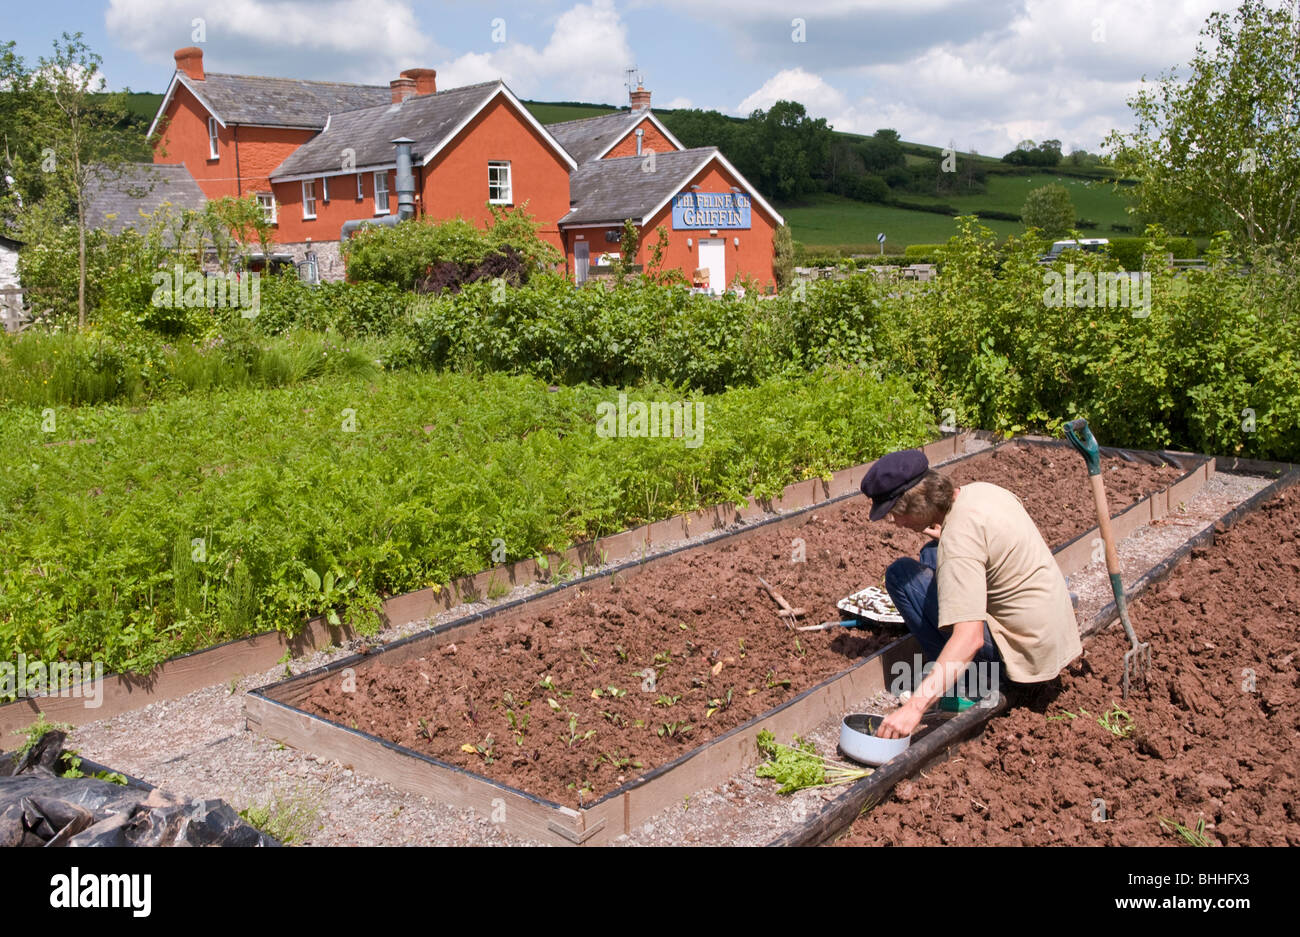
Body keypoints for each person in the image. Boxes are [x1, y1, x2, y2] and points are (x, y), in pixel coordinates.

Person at [858, 449, 1081, 739]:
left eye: (897, 514)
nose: (896, 523)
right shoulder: (982, 493)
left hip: (1023, 668)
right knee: (931, 553)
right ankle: (957, 674)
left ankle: (970, 683)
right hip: (1050, 642)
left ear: (918, 503)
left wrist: (914, 707)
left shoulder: (959, 544)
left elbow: (970, 638)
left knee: (901, 575)